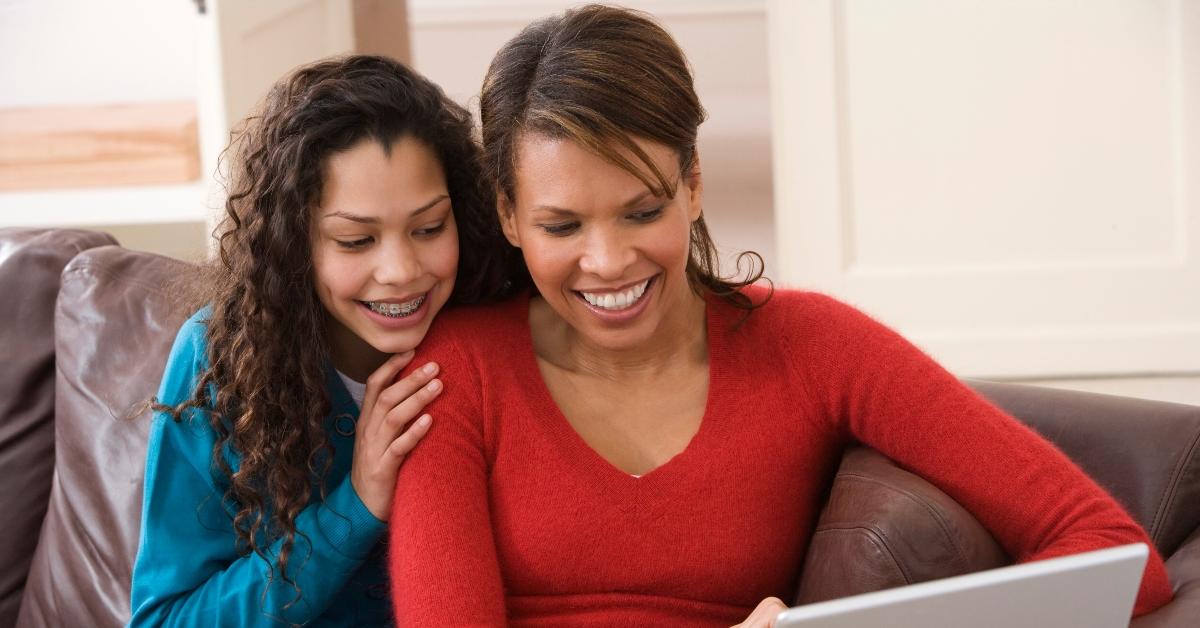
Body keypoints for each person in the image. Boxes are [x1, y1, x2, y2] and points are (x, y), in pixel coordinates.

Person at [387, 5, 1174, 627]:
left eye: (642, 210)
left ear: (692, 185)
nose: (609, 260)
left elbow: (1114, 552)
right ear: (509, 215)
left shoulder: (811, 346)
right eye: (563, 226)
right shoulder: (455, 372)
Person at [128, 55, 513, 626]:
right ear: (294, 244)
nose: (401, 270)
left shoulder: (501, 325)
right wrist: (355, 505)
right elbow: (165, 619)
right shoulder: (219, 358)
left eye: (429, 228)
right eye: (356, 240)